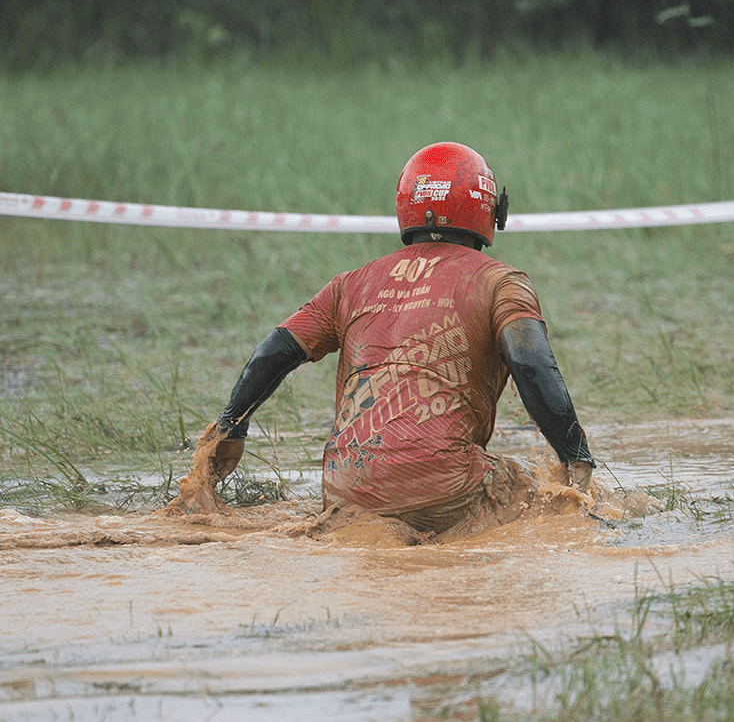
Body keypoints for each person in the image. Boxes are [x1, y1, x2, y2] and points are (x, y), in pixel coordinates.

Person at [204, 142, 594, 535]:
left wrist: (229, 429)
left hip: (346, 489)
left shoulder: (349, 284)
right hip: (445, 489)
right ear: (489, 209)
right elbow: (529, 359)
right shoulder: (501, 283)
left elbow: (274, 353)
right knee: (553, 502)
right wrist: (575, 456)